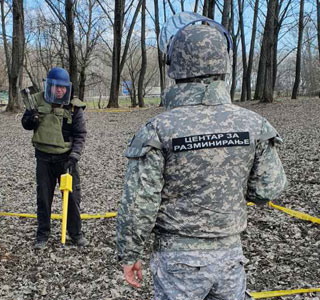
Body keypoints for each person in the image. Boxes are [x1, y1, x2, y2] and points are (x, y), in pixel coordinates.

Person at [116, 14, 287, 300]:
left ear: (175, 64)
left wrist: (129, 252)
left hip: (178, 261)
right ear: (223, 63)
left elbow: (139, 204)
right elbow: (268, 188)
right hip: (230, 257)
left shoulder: (159, 129)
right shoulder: (254, 125)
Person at [22, 67, 88, 249]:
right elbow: (25, 124)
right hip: (43, 159)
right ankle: (42, 235)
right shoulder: (36, 102)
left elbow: (81, 134)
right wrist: (31, 120)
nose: (59, 90)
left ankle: (76, 234)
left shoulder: (74, 107)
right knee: (43, 198)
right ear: (49, 86)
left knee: (72, 198)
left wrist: (74, 156)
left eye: (63, 87)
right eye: (56, 86)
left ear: (67, 88)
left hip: (66, 159)